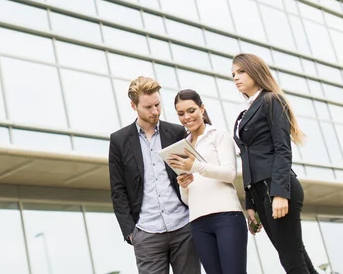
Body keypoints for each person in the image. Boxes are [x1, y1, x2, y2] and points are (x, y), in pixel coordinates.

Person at [231, 53, 319, 274]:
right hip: (262, 191)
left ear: (255, 70)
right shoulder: (246, 110)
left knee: (292, 261)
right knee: (295, 257)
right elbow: (247, 157)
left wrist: (280, 193)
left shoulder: (271, 100)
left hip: (277, 187)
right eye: (233, 74)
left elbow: (283, 149)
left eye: (241, 71)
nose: (236, 78)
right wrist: (250, 202)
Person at [109, 76, 201, 274]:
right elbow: (118, 190)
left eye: (158, 105)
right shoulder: (119, 141)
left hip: (184, 228)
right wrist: (131, 233)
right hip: (146, 234)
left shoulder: (176, 132)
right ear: (133, 106)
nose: (155, 111)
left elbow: (192, 173)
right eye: (148, 107)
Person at [166, 89, 247, 274]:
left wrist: (197, 166)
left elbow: (229, 174)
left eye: (191, 110)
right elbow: (187, 200)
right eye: (181, 113)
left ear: (202, 109)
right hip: (198, 222)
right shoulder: (182, 146)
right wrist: (183, 185)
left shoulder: (218, 135)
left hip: (226, 217)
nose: (187, 117)